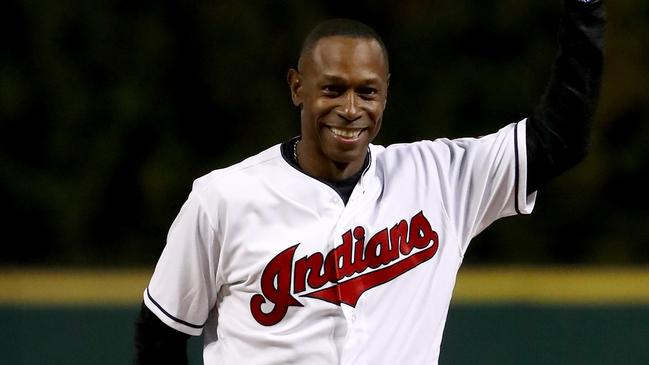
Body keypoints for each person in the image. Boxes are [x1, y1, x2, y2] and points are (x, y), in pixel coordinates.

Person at [134, 0, 606, 363]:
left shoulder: (439, 179)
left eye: (367, 91)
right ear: (298, 87)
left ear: (385, 94)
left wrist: (585, 8)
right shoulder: (225, 198)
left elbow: (560, 138)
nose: (351, 108)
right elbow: (161, 332)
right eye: (332, 89)